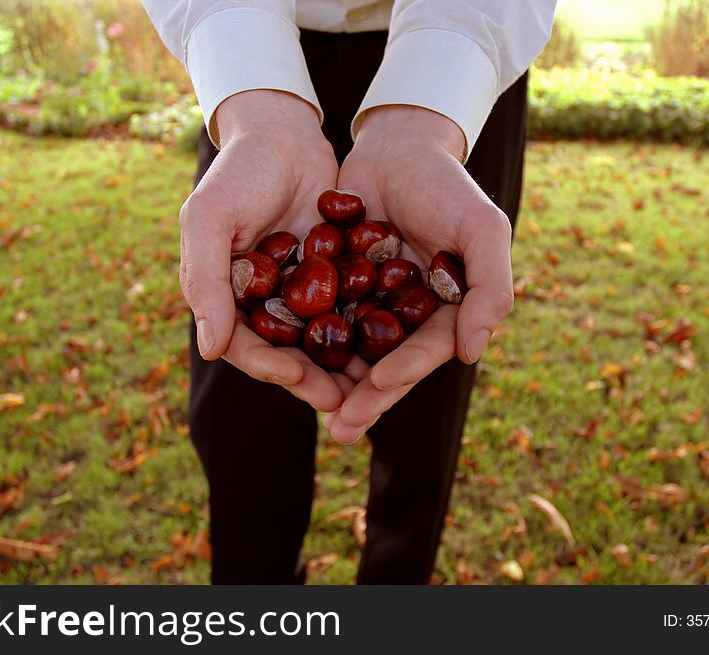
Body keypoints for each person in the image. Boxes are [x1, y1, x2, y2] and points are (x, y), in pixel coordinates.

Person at [143, 0, 556, 584]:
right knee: (241, 422)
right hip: (255, 71)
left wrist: (432, 107)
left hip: (458, 63)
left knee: (424, 409)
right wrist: (254, 105)